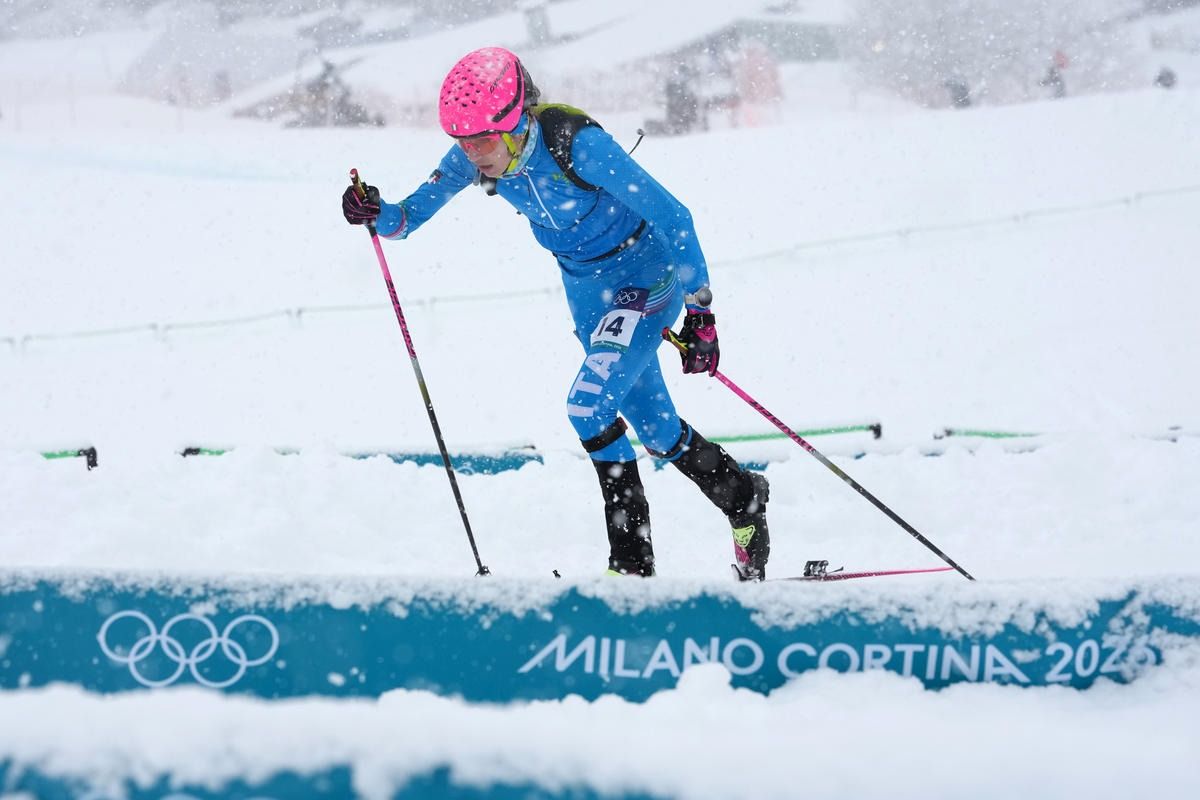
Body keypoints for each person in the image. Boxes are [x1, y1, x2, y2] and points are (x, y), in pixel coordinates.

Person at [341, 47, 771, 580]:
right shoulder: (471, 157)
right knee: (657, 430)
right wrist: (373, 211)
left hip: (641, 277)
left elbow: (675, 217)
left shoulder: (578, 145)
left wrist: (701, 315)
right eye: (462, 141)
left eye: (482, 140)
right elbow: (405, 221)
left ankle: (631, 568)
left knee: (588, 407)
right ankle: (743, 497)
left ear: (515, 123)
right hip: (586, 290)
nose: (472, 153)